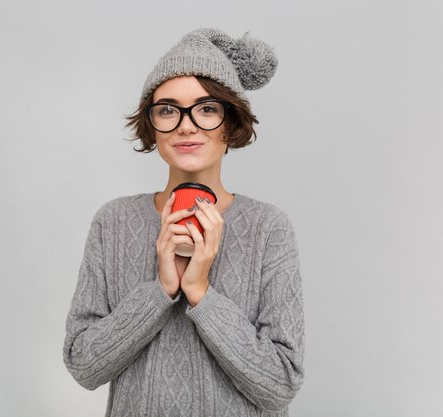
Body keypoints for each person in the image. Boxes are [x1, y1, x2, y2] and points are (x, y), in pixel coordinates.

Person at [62, 28, 305, 417]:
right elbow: (83, 365)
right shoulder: (114, 222)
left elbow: (280, 386)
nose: (186, 125)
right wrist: (160, 291)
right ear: (152, 124)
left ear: (231, 124)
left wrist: (200, 292)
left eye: (207, 108)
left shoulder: (268, 227)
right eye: (168, 109)